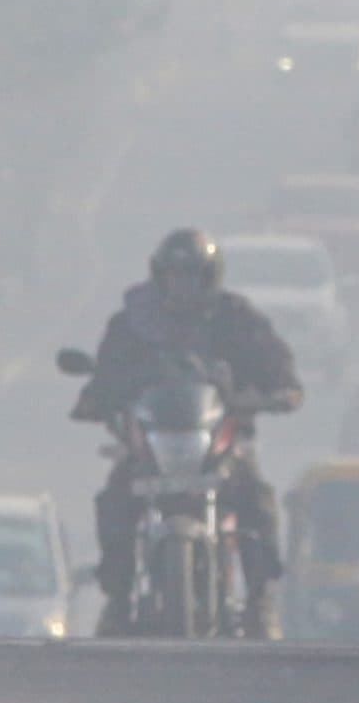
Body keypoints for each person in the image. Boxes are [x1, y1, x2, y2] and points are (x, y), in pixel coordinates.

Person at [70, 228, 304, 639]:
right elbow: (107, 373)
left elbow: (275, 365)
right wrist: (94, 399)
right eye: (176, 276)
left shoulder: (236, 318)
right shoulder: (134, 321)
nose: (184, 286)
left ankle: (259, 599)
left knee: (256, 499)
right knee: (114, 503)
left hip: (219, 442)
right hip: (150, 445)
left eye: (193, 276)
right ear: (160, 277)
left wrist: (279, 392)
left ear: (210, 278)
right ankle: (117, 600)